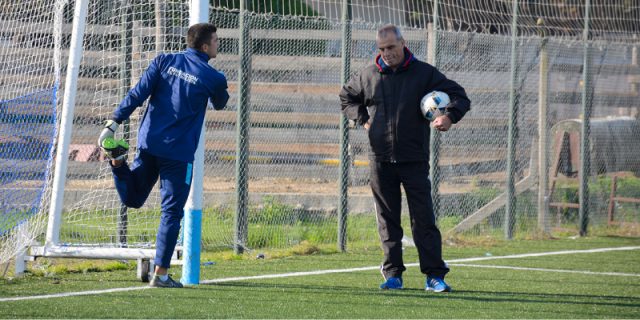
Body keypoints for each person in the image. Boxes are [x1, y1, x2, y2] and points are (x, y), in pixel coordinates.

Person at [339, 24, 470, 292]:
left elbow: (460, 96)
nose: (387, 53)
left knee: (423, 219)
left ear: (402, 44)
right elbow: (346, 98)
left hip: (414, 158)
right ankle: (393, 275)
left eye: (391, 47)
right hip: (380, 159)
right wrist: (362, 119)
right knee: (387, 220)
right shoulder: (368, 75)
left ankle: (435, 276)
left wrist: (448, 117)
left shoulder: (424, 74)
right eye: (382, 49)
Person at [98, 23, 229, 288]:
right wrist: (220, 85)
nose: (218, 44)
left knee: (134, 199)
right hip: (178, 155)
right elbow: (221, 103)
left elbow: (137, 94)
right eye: (215, 41)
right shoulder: (212, 77)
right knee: (171, 212)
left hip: (149, 145)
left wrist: (114, 122)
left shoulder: (163, 61)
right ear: (204, 46)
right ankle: (161, 274)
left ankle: (118, 161)